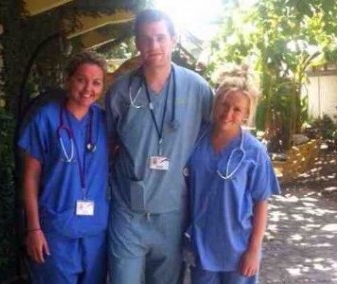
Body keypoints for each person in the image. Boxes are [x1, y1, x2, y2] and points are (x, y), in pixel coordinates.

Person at [105, 8, 213, 284]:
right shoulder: (121, 91)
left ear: (173, 40)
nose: (154, 46)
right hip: (128, 210)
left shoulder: (198, 89)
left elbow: (216, 139)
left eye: (160, 37)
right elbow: (108, 145)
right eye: (146, 39)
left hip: (173, 212)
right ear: (137, 44)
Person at [18, 50, 109, 284]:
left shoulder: (105, 121)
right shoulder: (45, 118)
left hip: (94, 232)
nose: (88, 88)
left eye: (96, 82)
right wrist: (34, 229)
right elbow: (30, 178)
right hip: (55, 232)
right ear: (68, 79)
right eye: (81, 79)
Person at [186, 64, 280, 284]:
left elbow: (261, 203)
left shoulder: (254, 151)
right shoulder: (195, 139)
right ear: (215, 102)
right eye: (224, 104)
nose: (228, 114)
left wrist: (254, 251)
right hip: (201, 246)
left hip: (238, 250)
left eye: (237, 109)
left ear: (247, 114)